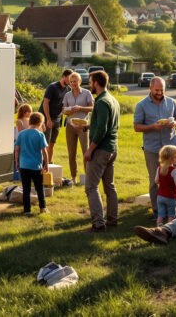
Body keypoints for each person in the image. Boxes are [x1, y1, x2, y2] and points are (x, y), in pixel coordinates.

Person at [134, 76, 176, 217]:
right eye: (157, 90)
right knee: (154, 181)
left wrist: (175, 123)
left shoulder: (172, 102)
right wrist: (152, 126)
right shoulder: (141, 105)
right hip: (152, 148)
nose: (160, 93)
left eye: (162, 90)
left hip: (172, 146)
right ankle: (158, 211)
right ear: (150, 88)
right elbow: (137, 127)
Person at [82, 70, 119, 233]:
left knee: (91, 187)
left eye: (90, 82)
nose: (89, 85)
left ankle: (98, 224)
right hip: (112, 148)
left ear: (96, 83)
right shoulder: (112, 99)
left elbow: (103, 129)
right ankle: (112, 219)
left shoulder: (102, 102)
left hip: (101, 150)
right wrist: (89, 126)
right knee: (109, 186)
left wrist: (89, 150)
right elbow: (107, 124)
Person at [14, 112, 49, 214]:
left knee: (26, 189)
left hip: (24, 166)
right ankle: (43, 208)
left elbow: (17, 150)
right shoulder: (40, 135)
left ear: (29, 121)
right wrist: (46, 164)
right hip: (36, 166)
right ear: (39, 124)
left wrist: (17, 162)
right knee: (39, 188)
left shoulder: (21, 134)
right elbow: (44, 151)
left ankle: (27, 210)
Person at [62, 71, 94, 184]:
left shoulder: (86, 93)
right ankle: (73, 178)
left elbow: (92, 108)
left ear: (79, 81)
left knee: (86, 151)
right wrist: (69, 111)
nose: (73, 84)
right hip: (70, 126)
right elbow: (63, 110)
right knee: (71, 153)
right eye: (71, 82)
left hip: (83, 126)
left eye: (75, 81)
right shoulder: (67, 95)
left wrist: (80, 108)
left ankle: (88, 177)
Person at [40, 69, 73, 165]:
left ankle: (50, 164)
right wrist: (48, 119)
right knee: (45, 143)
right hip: (47, 118)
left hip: (57, 119)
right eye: (69, 78)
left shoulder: (68, 89)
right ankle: (43, 165)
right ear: (63, 76)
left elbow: (65, 105)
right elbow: (45, 103)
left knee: (52, 143)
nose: (71, 81)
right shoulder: (52, 87)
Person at [154, 145, 176, 225]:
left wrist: (164, 182)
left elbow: (156, 181)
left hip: (160, 196)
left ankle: (158, 228)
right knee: (171, 215)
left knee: (160, 215)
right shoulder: (174, 170)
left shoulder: (159, 168)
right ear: (171, 158)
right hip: (171, 197)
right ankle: (169, 229)